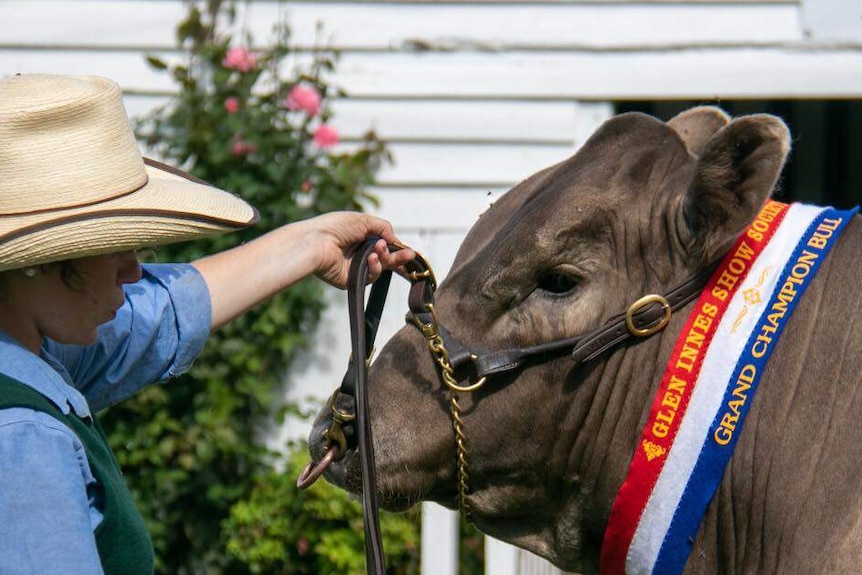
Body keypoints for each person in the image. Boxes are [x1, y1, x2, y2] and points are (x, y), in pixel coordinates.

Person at [0, 73, 415, 574]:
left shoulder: (30, 355)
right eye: (113, 246)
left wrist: (313, 243)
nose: (135, 272)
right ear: (34, 261)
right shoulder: (23, 437)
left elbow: (161, 314)